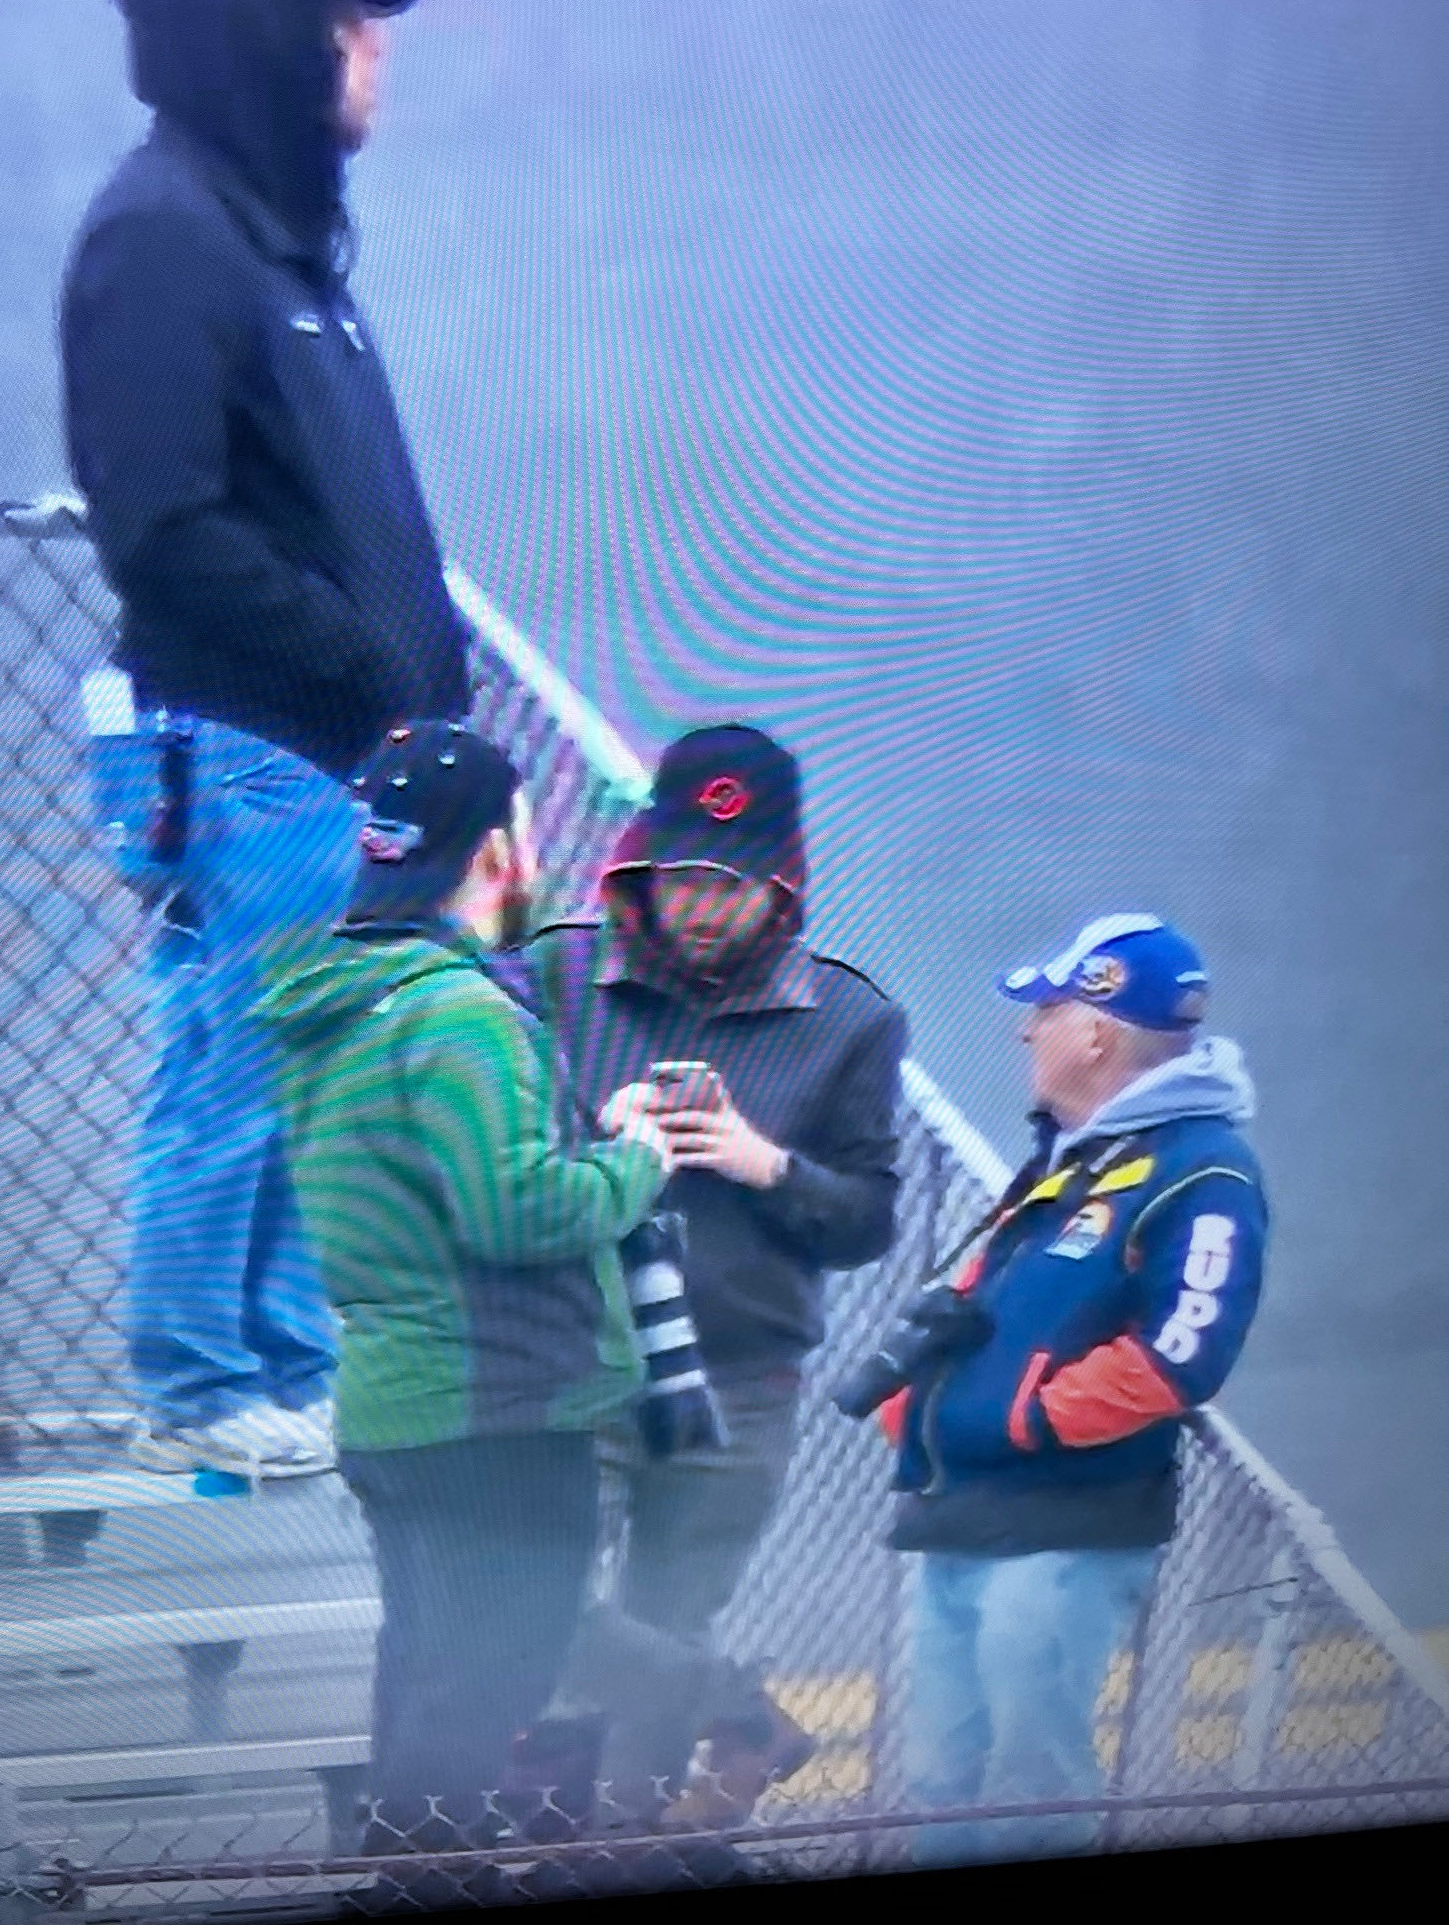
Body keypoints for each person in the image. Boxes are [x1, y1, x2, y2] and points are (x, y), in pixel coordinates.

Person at [61, 0, 470, 1477]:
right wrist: (366, 659)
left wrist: (428, 703)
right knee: (235, 1068)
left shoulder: (280, 246)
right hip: (247, 748)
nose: (374, 53)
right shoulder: (162, 234)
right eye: (346, 23)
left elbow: (354, 517)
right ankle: (200, 1385)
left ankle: (288, 1377)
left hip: (336, 757)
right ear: (270, 39)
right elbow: (161, 525)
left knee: (320, 1078)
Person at [256, 721, 674, 1887]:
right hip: (494, 1409)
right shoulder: (458, 1011)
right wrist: (638, 1157)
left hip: (399, 1408)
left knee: (427, 1675)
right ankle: (433, 1882)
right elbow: (517, 1210)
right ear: (495, 847)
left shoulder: (339, 993)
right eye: (526, 822)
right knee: (486, 1682)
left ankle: (405, 1874)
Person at [523, 725, 909, 1832]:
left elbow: (868, 1220)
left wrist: (765, 1161)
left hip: (743, 1379)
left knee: (674, 1608)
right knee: (533, 1596)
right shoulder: (553, 970)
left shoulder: (852, 1019)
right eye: (684, 873)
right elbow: (494, 1155)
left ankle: (629, 1847)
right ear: (642, 858)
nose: (702, 903)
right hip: (573, 1351)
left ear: (783, 879)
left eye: (730, 883)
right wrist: (602, 1138)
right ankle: (729, 1722)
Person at [870, 913, 1267, 1867]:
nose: (1024, 1031)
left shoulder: (1203, 1169)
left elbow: (1181, 1353)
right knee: (937, 1780)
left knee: (1029, 1785)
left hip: (1064, 1527)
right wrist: (917, 1399)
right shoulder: (1073, 1153)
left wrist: (1019, 1418)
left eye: (1043, 1010)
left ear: (1094, 1031)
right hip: (964, 1507)